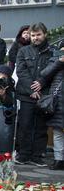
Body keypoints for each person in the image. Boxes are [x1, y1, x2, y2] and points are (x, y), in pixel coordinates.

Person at [15, 23, 53, 167]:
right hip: (26, 95)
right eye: (33, 35)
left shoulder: (51, 52)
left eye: (38, 35)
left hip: (44, 96)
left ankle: (37, 156)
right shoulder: (23, 51)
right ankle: (23, 155)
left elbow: (53, 69)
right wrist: (32, 89)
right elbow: (21, 72)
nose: (35, 38)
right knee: (25, 125)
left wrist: (42, 83)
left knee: (41, 127)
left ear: (45, 35)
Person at [39, 41, 64, 170]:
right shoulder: (55, 59)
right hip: (58, 101)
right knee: (58, 131)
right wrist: (60, 61)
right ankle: (58, 160)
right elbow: (45, 73)